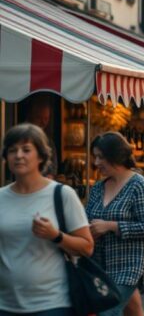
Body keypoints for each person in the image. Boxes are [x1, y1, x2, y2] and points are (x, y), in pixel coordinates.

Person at [0, 124, 95, 316]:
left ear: (41, 156)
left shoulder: (62, 194)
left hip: (52, 304)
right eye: (12, 150)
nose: (18, 155)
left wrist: (56, 236)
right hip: (6, 305)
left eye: (26, 150)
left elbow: (87, 247)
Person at [85, 132, 144, 316]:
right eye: (96, 157)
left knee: (108, 311)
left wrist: (111, 226)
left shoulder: (139, 185)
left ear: (115, 155)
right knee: (131, 309)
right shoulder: (98, 188)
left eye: (101, 157)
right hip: (98, 265)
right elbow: (87, 220)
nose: (96, 163)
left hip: (128, 265)